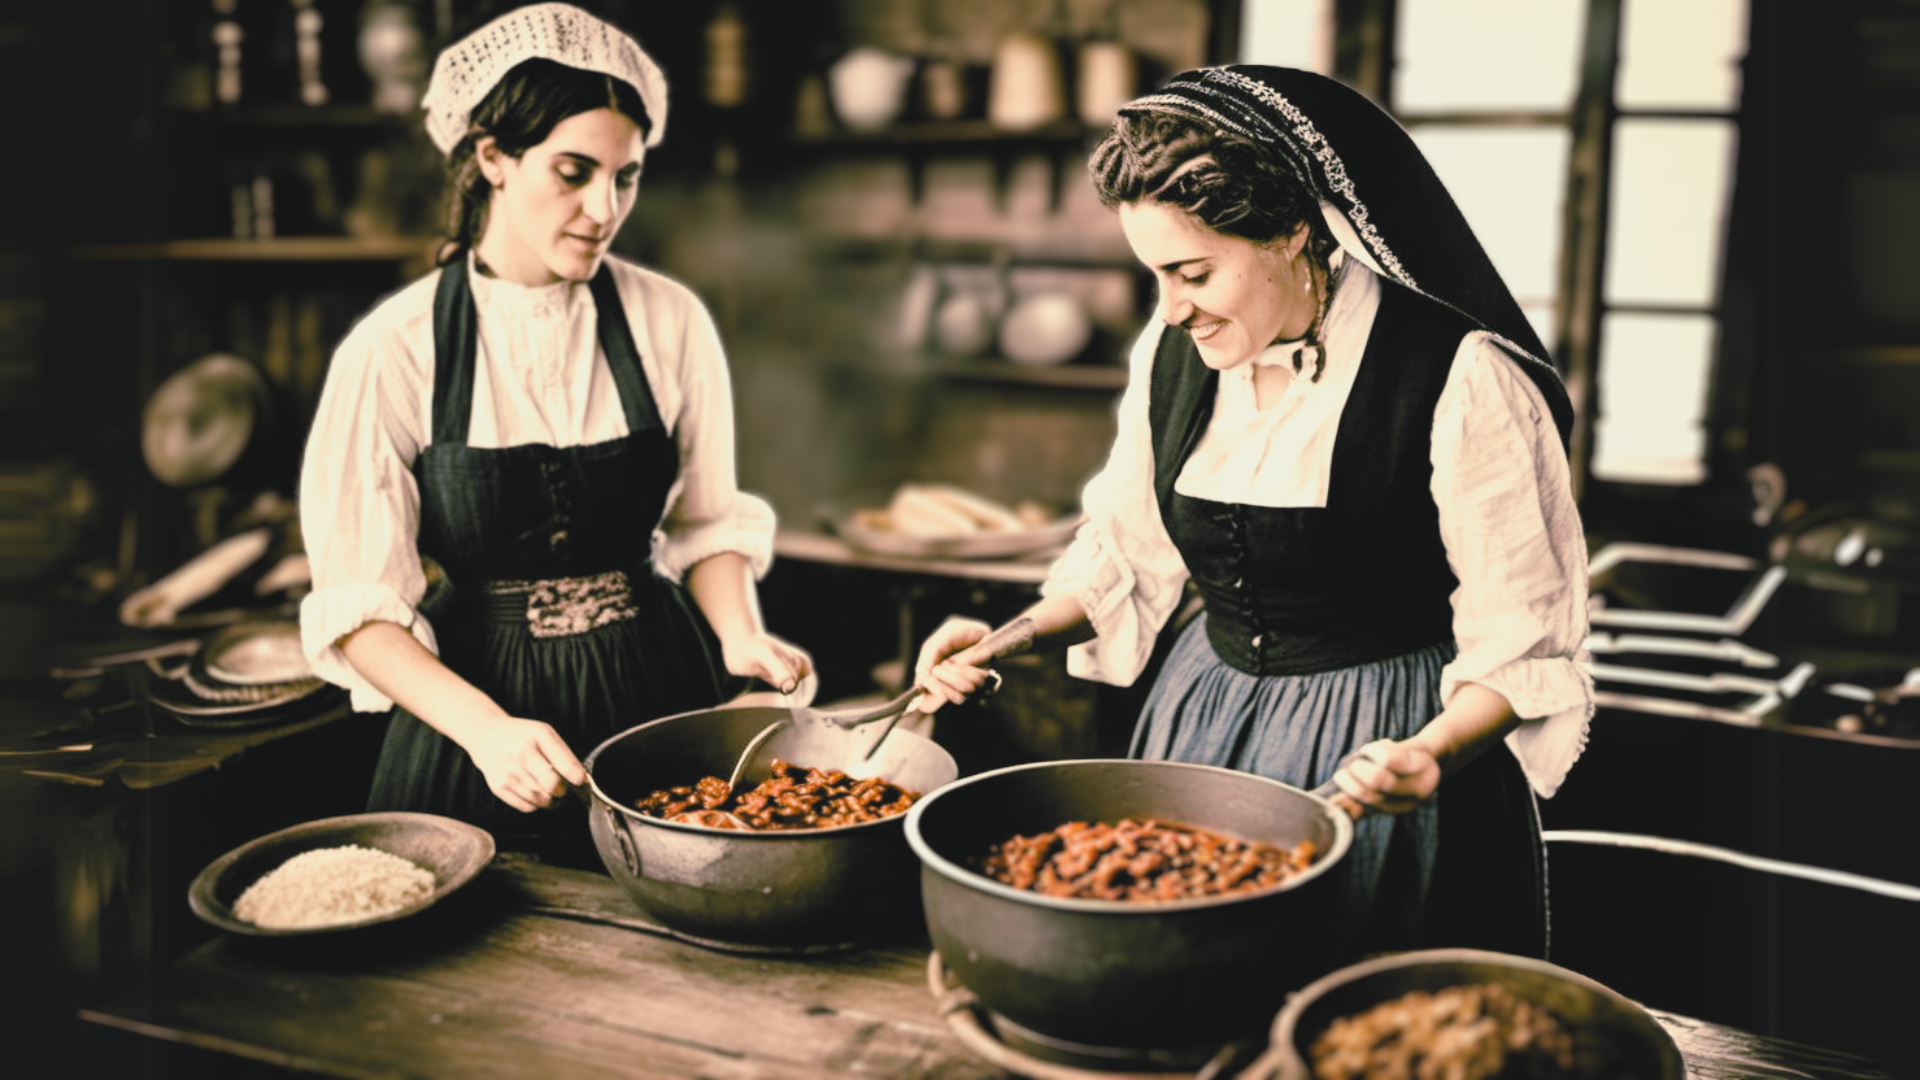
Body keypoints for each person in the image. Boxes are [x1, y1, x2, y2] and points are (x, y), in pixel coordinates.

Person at [913, 66, 1590, 957]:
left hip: (1391, 748)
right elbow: (1127, 550)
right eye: (1156, 274)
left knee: (1353, 1001)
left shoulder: (1460, 375)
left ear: (1293, 231)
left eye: (1192, 271)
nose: (1172, 307)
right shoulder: (1172, 352)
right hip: (1200, 725)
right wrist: (1011, 635)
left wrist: (1431, 754)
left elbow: (1523, 632)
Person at [298, 3, 810, 868]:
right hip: (477, 721)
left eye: (626, 176)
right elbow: (359, 610)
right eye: (572, 172)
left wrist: (738, 634)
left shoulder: (670, 320)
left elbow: (707, 523)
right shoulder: (396, 346)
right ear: (494, 157)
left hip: (661, 691)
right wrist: (488, 733)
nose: (602, 208)